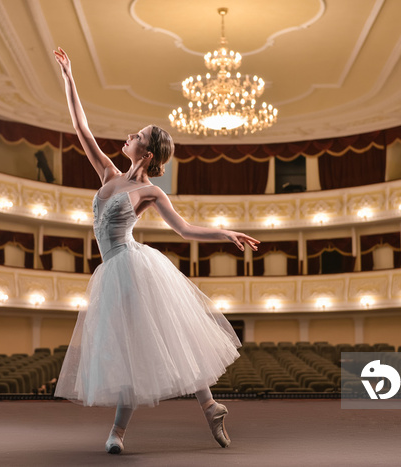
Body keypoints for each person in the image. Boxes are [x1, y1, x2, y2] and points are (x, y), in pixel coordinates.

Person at [52, 47, 259, 455]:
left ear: (145, 153)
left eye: (137, 136)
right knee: (140, 343)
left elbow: (184, 229)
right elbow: (81, 128)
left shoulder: (149, 191)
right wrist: (70, 78)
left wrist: (226, 233)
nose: (128, 136)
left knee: (141, 343)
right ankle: (211, 406)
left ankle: (119, 434)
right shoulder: (109, 174)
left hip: (132, 266)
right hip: (112, 270)